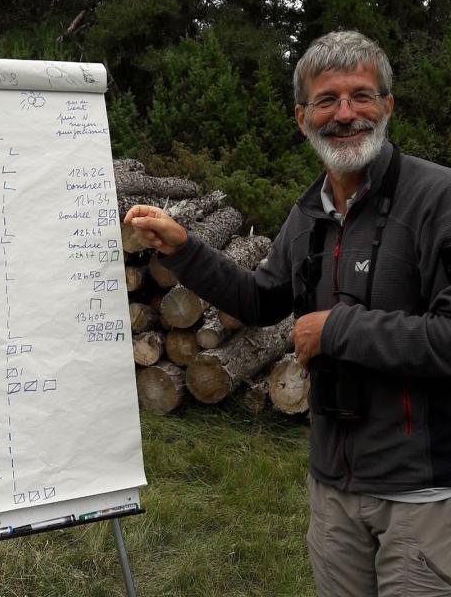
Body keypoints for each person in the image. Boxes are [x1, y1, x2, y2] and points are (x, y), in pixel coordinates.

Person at [124, 30, 451, 596]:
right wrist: (185, 248)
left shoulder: (437, 198)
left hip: (422, 496)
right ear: (303, 117)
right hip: (333, 489)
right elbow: (261, 300)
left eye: (361, 96)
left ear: (388, 106)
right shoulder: (310, 211)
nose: (345, 114)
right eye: (327, 100)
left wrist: (336, 328)